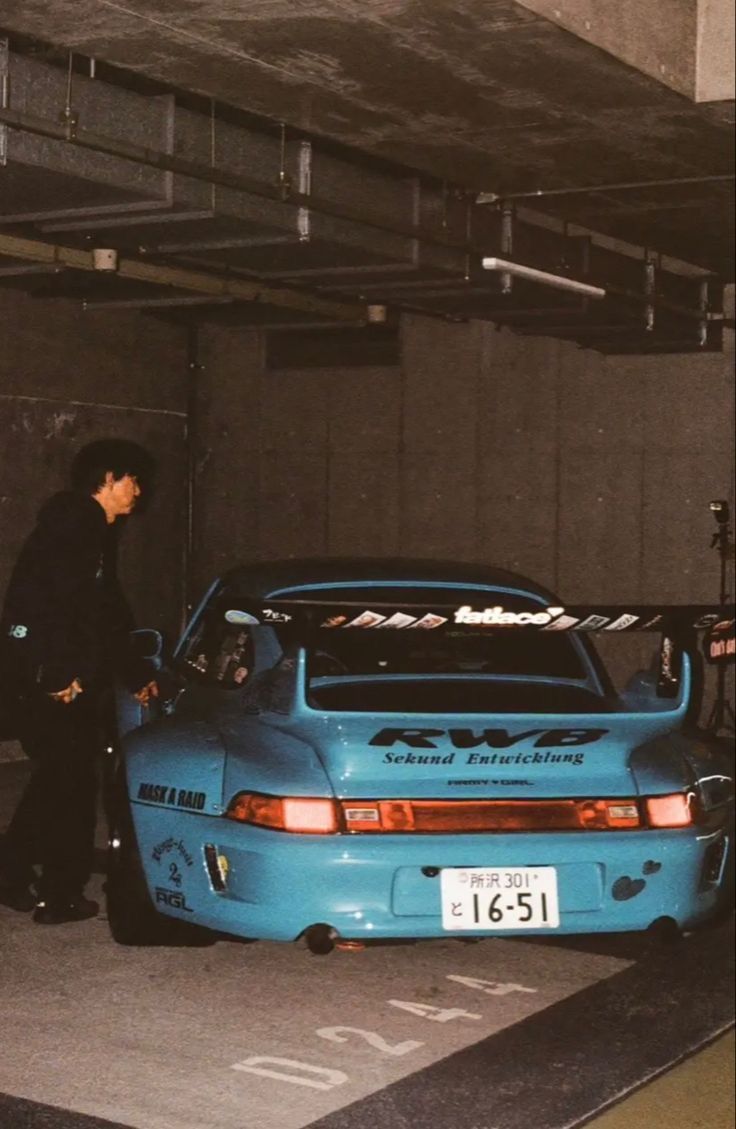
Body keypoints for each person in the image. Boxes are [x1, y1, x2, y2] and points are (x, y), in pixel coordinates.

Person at [0, 439, 159, 924]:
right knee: (71, 787)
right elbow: (31, 606)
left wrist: (135, 672)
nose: (139, 490)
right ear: (107, 479)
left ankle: (9, 872)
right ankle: (61, 894)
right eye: (132, 479)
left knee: (57, 778)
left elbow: (106, 612)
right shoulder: (73, 526)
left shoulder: (94, 531)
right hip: (55, 681)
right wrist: (52, 674)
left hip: (68, 678)